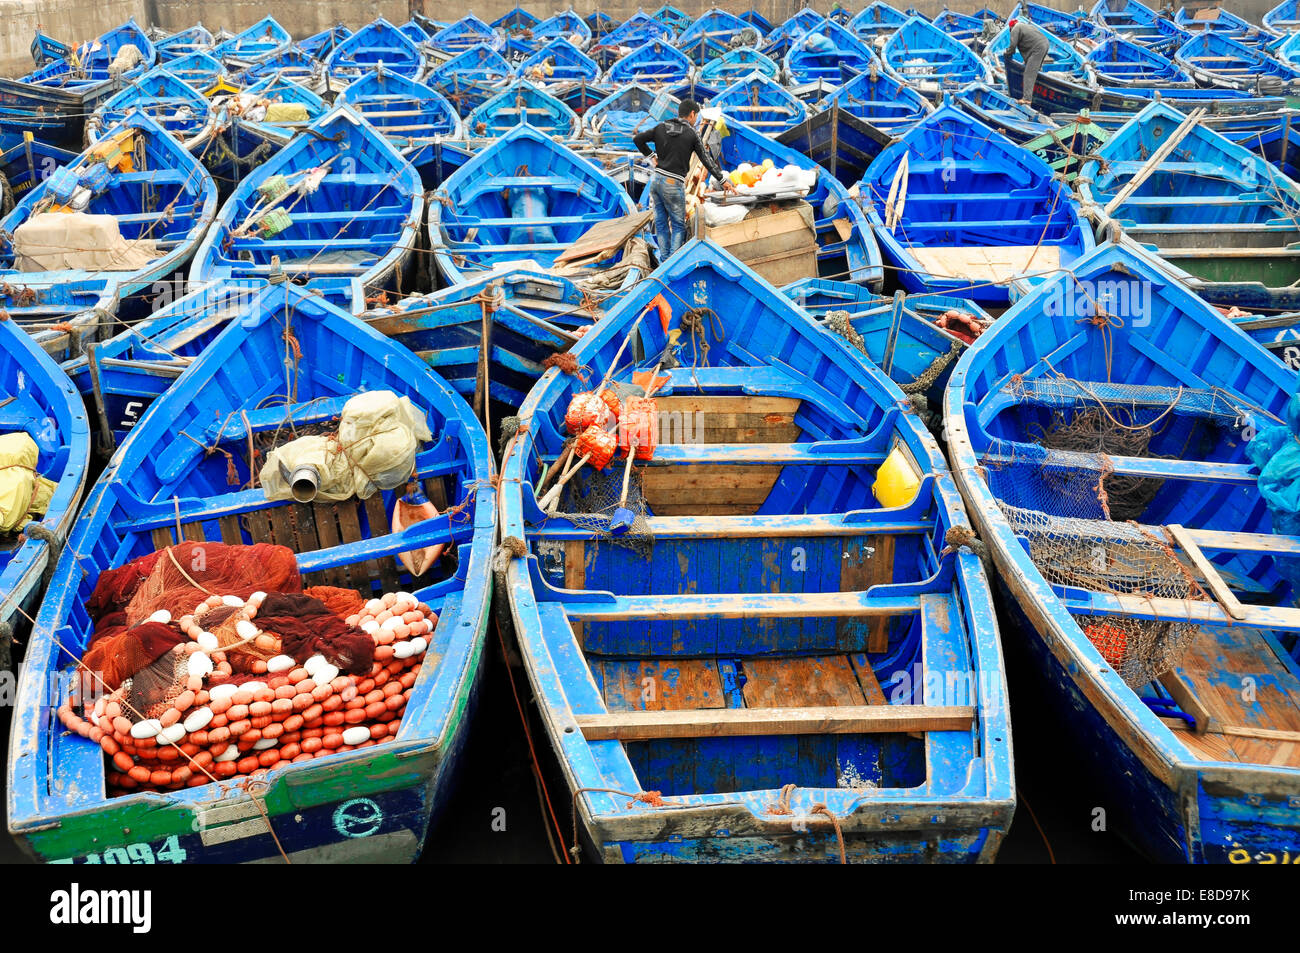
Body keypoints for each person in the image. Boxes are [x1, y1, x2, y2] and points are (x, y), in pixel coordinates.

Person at [633, 99, 737, 261]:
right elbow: (706, 160)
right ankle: (673, 261)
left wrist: (652, 157)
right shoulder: (691, 134)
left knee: (660, 223)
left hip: (657, 181)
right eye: (695, 117)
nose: (695, 121)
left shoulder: (661, 127)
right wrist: (723, 180)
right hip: (673, 184)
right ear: (692, 114)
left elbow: (638, 139)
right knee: (678, 225)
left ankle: (664, 259)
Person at [1004, 15, 1050, 106]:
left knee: (1029, 74)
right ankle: (1036, 94)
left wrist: (1006, 53)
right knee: (1034, 70)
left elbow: (1012, 46)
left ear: (1010, 27)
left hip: (1037, 48)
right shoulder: (1025, 26)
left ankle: (1027, 99)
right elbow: (1029, 44)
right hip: (1045, 44)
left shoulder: (1015, 28)